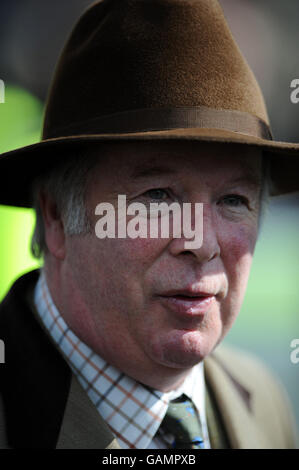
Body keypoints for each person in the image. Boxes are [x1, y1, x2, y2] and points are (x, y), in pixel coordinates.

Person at [0, 0, 298, 449]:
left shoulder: (259, 397)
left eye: (234, 199)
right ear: (56, 216)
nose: (200, 243)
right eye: (158, 197)